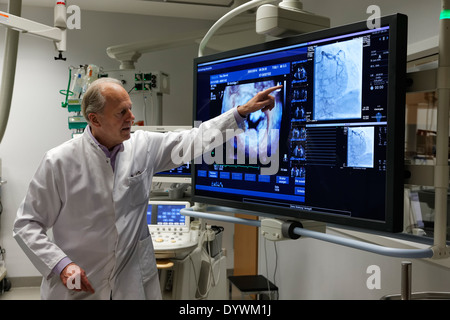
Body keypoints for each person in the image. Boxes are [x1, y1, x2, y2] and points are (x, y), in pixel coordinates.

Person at [13, 77, 282, 300]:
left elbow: (192, 140)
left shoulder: (142, 146)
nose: (132, 117)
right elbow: (26, 224)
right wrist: (61, 265)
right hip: (77, 285)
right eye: (122, 112)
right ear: (95, 120)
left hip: (130, 283)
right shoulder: (59, 161)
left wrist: (240, 112)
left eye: (130, 108)